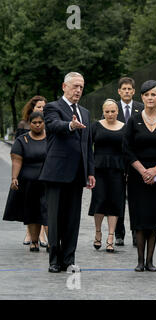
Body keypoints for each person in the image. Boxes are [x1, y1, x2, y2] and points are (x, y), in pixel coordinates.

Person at [39, 72, 95, 273]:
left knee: (72, 220)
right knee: (55, 218)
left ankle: (69, 259)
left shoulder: (85, 113)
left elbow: (87, 145)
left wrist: (90, 171)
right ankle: (54, 260)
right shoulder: (52, 107)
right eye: (75, 86)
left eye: (81, 86)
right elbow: (54, 126)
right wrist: (70, 125)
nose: (78, 90)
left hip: (77, 174)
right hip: (56, 173)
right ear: (64, 86)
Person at [123, 80, 156, 272]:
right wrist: (142, 170)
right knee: (140, 217)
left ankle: (150, 260)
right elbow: (126, 149)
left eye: (153, 94)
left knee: (154, 217)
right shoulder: (133, 120)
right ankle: (139, 261)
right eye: (146, 94)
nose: (150, 97)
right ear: (142, 97)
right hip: (138, 175)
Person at [3, 112, 48, 252]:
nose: (38, 125)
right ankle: (34, 241)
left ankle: (52, 242)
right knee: (32, 213)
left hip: (47, 181)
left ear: (44, 123)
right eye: (34, 122)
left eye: (40, 122)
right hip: (28, 182)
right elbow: (17, 160)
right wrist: (14, 178)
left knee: (48, 212)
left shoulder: (51, 138)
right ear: (30, 123)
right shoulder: (22, 140)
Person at [88, 99, 126, 253]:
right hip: (99, 169)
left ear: (117, 112)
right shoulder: (95, 126)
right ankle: (98, 232)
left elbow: (128, 150)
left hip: (117, 169)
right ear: (103, 112)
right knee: (99, 200)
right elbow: (87, 149)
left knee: (115, 202)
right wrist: (89, 171)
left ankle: (111, 236)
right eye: (107, 111)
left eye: (113, 111)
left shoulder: (125, 128)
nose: (110, 114)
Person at [114, 77, 144, 247]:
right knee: (118, 199)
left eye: (129, 89)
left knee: (135, 199)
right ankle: (119, 233)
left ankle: (136, 233)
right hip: (117, 160)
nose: (126, 91)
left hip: (135, 161)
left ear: (133, 91)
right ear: (119, 91)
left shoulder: (141, 108)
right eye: (123, 89)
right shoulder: (113, 108)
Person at [16, 96, 49, 248]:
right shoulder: (24, 126)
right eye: (39, 107)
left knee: (45, 207)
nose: (41, 109)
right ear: (32, 108)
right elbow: (18, 152)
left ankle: (42, 234)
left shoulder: (49, 127)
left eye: (44, 107)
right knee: (31, 206)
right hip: (29, 173)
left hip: (45, 174)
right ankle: (31, 234)